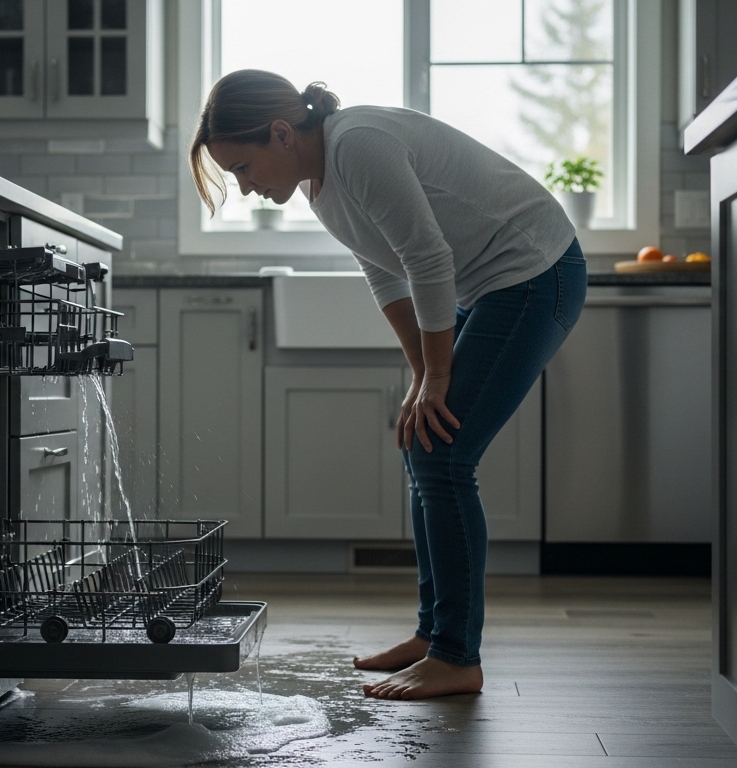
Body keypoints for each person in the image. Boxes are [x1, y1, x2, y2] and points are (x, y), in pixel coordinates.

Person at [189, 70, 587, 700]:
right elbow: (386, 274)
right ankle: (434, 637)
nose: (244, 186)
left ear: (282, 133)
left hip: (535, 273)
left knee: (445, 453)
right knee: (422, 440)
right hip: (490, 287)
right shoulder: (320, 186)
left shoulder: (357, 145)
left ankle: (458, 656)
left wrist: (438, 375)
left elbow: (427, 258)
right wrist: (423, 378)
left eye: (243, 166)